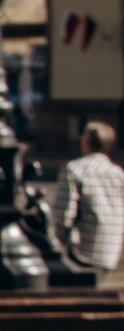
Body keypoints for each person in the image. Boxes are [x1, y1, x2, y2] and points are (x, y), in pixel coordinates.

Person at [53, 119, 124, 278]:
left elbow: (64, 212)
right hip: (110, 249)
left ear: (85, 142)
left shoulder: (74, 169)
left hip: (81, 248)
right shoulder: (118, 173)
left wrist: (58, 238)